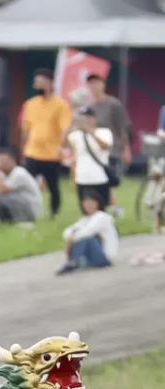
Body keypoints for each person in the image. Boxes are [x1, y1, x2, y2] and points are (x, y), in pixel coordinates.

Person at [21, 68, 72, 218]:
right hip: (32, 152)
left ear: (50, 83)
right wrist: (23, 148)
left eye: (41, 82)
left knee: (53, 186)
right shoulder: (30, 104)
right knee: (28, 185)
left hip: (51, 153)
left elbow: (65, 127)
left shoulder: (60, 104)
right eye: (36, 83)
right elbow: (26, 128)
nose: (38, 85)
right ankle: (28, 212)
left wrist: (61, 147)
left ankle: (54, 213)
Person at [87, 73, 131, 216]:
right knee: (97, 180)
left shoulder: (113, 104)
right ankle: (103, 208)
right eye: (90, 84)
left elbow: (123, 127)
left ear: (103, 84)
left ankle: (112, 207)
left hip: (112, 149)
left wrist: (126, 149)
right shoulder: (90, 107)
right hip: (95, 151)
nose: (93, 87)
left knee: (108, 180)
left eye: (96, 83)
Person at [0, 147, 43, 224]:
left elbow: (2, 190)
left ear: (11, 160)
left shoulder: (19, 173)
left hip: (31, 209)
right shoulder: (4, 174)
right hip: (22, 206)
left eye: (1, 161)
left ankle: (15, 220)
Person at [57, 192, 118, 275]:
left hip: (105, 257)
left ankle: (73, 262)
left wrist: (72, 238)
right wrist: (69, 236)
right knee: (78, 235)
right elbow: (69, 230)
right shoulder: (85, 219)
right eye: (86, 203)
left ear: (98, 203)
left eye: (92, 203)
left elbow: (88, 232)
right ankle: (74, 262)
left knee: (87, 239)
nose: (89, 206)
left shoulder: (102, 217)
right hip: (91, 257)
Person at [66, 106, 113, 212]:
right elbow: (64, 144)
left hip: (100, 178)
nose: (85, 120)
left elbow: (105, 146)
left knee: (101, 211)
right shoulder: (76, 135)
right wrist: (71, 125)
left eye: (88, 118)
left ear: (94, 118)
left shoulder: (104, 132)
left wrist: (89, 131)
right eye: (83, 118)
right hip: (82, 179)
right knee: (86, 211)